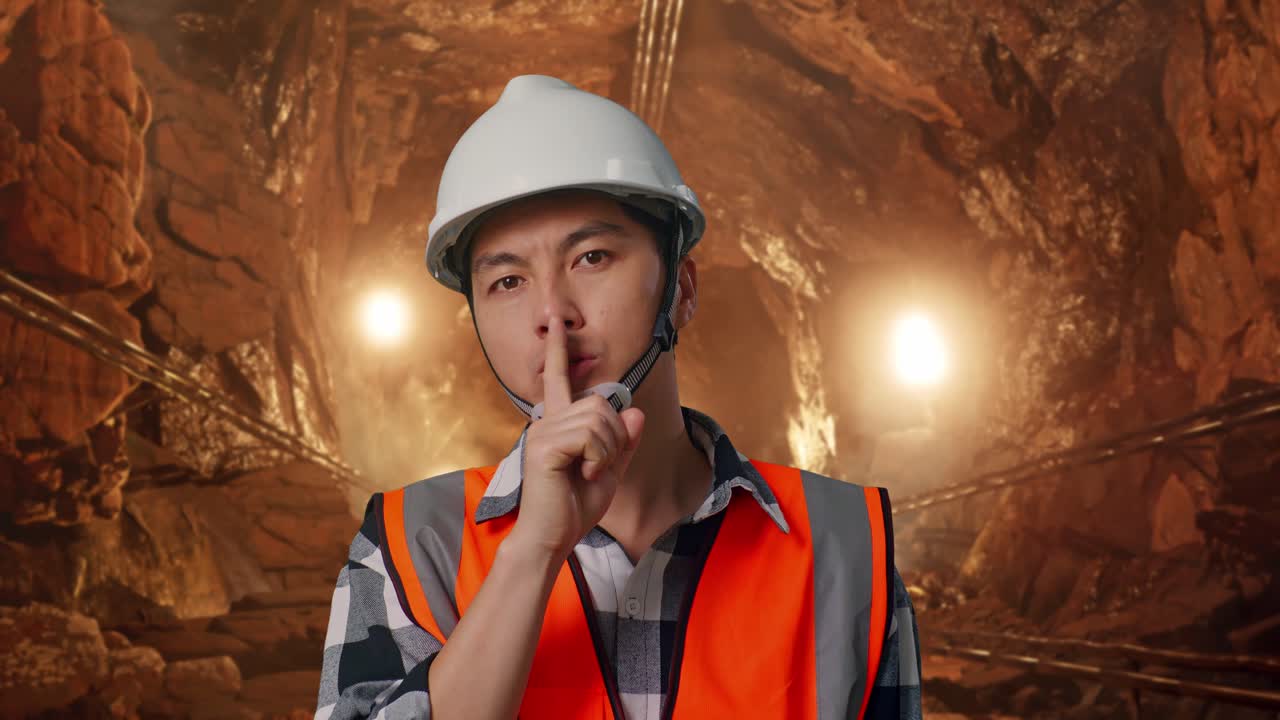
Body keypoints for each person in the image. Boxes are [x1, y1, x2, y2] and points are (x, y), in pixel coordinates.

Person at [316, 74, 922, 720]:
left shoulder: (845, 546)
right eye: (508, 281)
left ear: (681, 289)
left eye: (593, 257)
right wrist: (534, 552)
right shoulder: (411, 545)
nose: (552, 313)